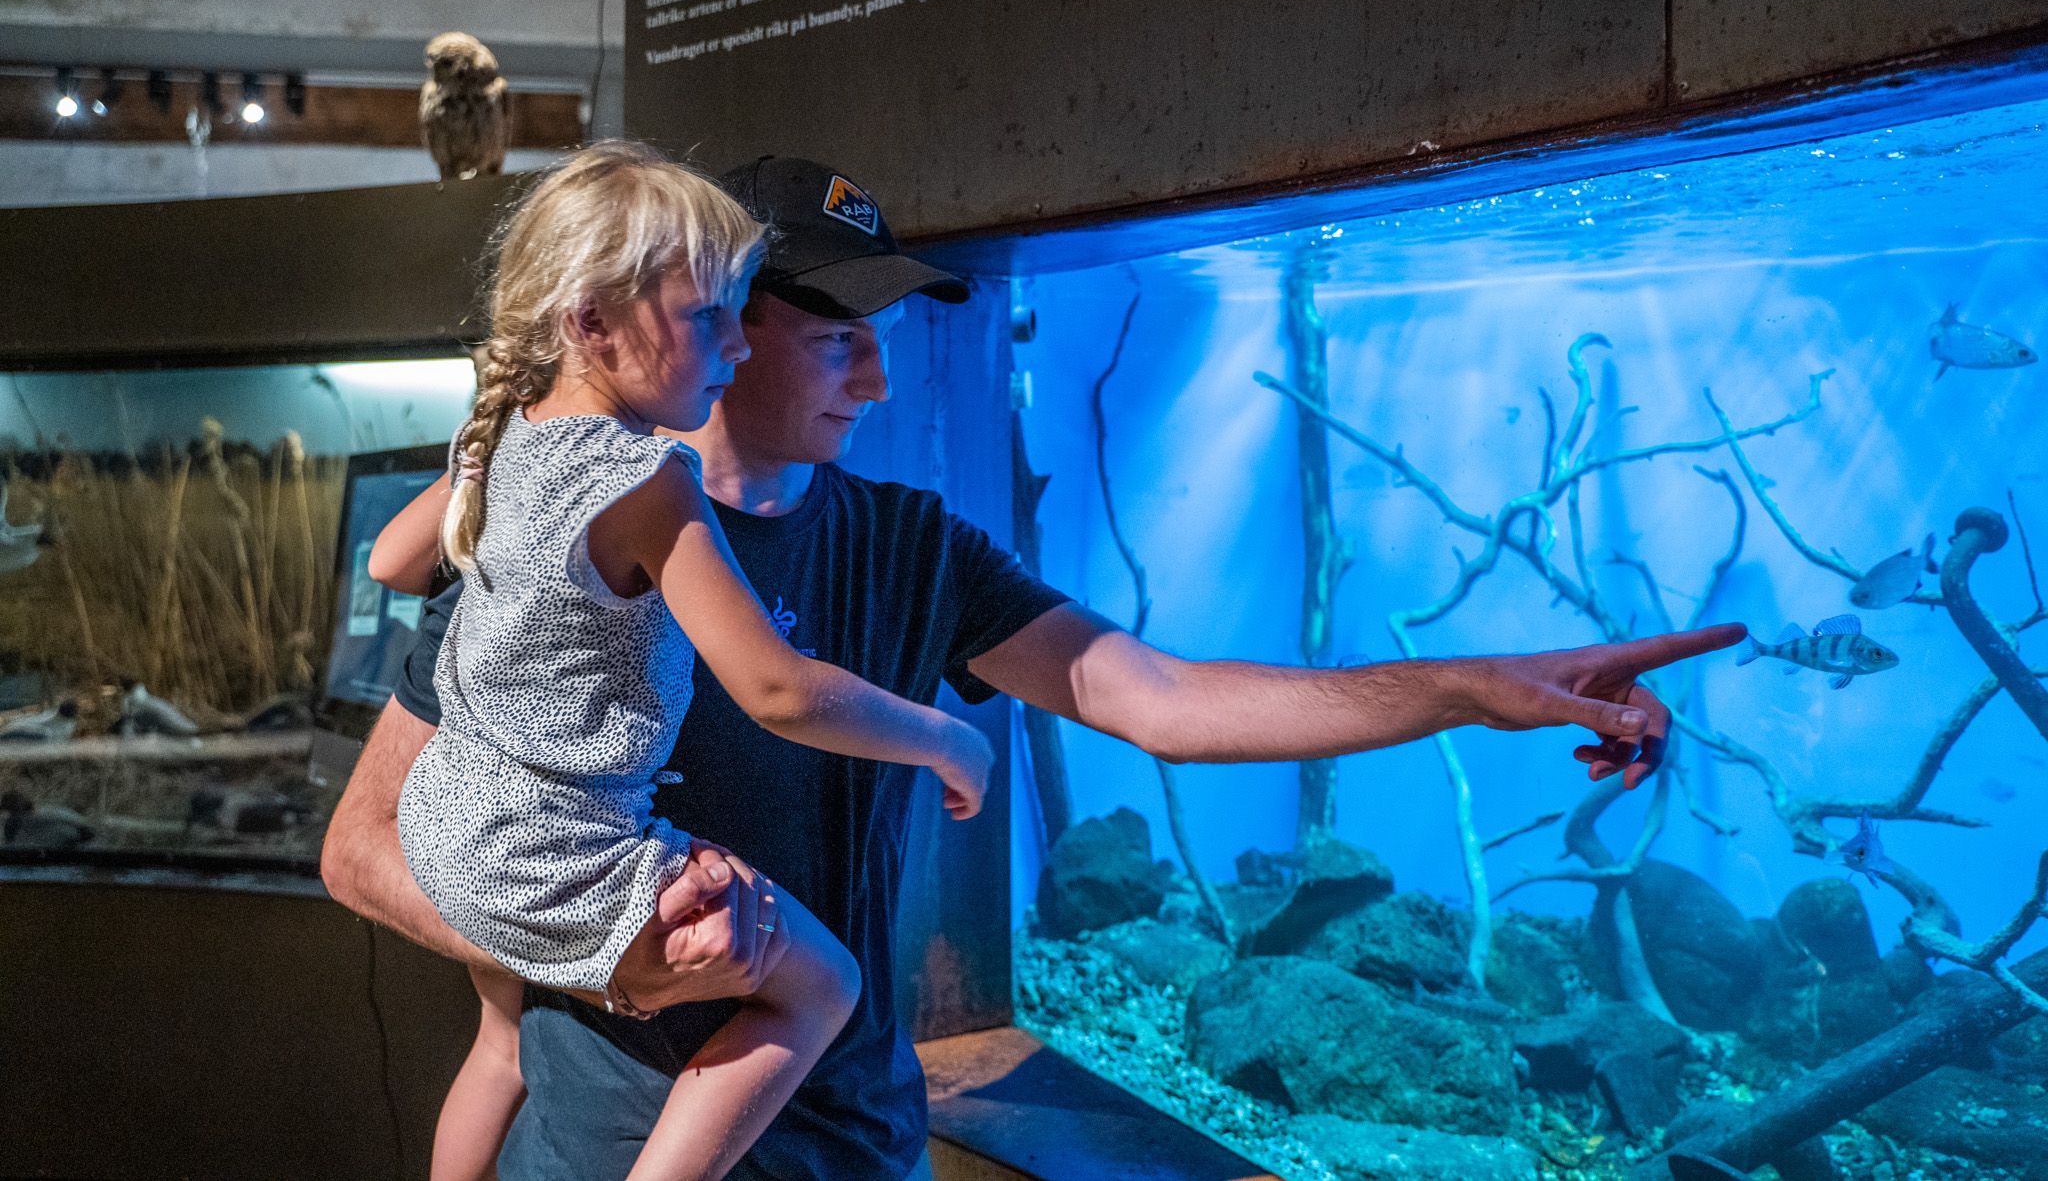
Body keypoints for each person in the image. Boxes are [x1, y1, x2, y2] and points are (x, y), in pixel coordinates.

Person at [323, 152, 1744, 1181]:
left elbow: (1164, 701)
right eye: (839, 338)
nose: (876, 380)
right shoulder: (556, 535)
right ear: (724, 322)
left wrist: (1476, 685)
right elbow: (366, 848)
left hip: (855, 1136)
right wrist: (607, 964)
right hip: (603, 1145)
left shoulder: (912, 549)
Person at [374, 142, 993, 1181]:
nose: (736, 348)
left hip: (448, 828)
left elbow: (396, 564)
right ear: (591, 322)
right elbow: (778, 689)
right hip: (553, 854)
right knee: (823, 988)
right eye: (709, 316)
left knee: (497, 1047)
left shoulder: (501, 439)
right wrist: (946, 739)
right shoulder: (650, 482)